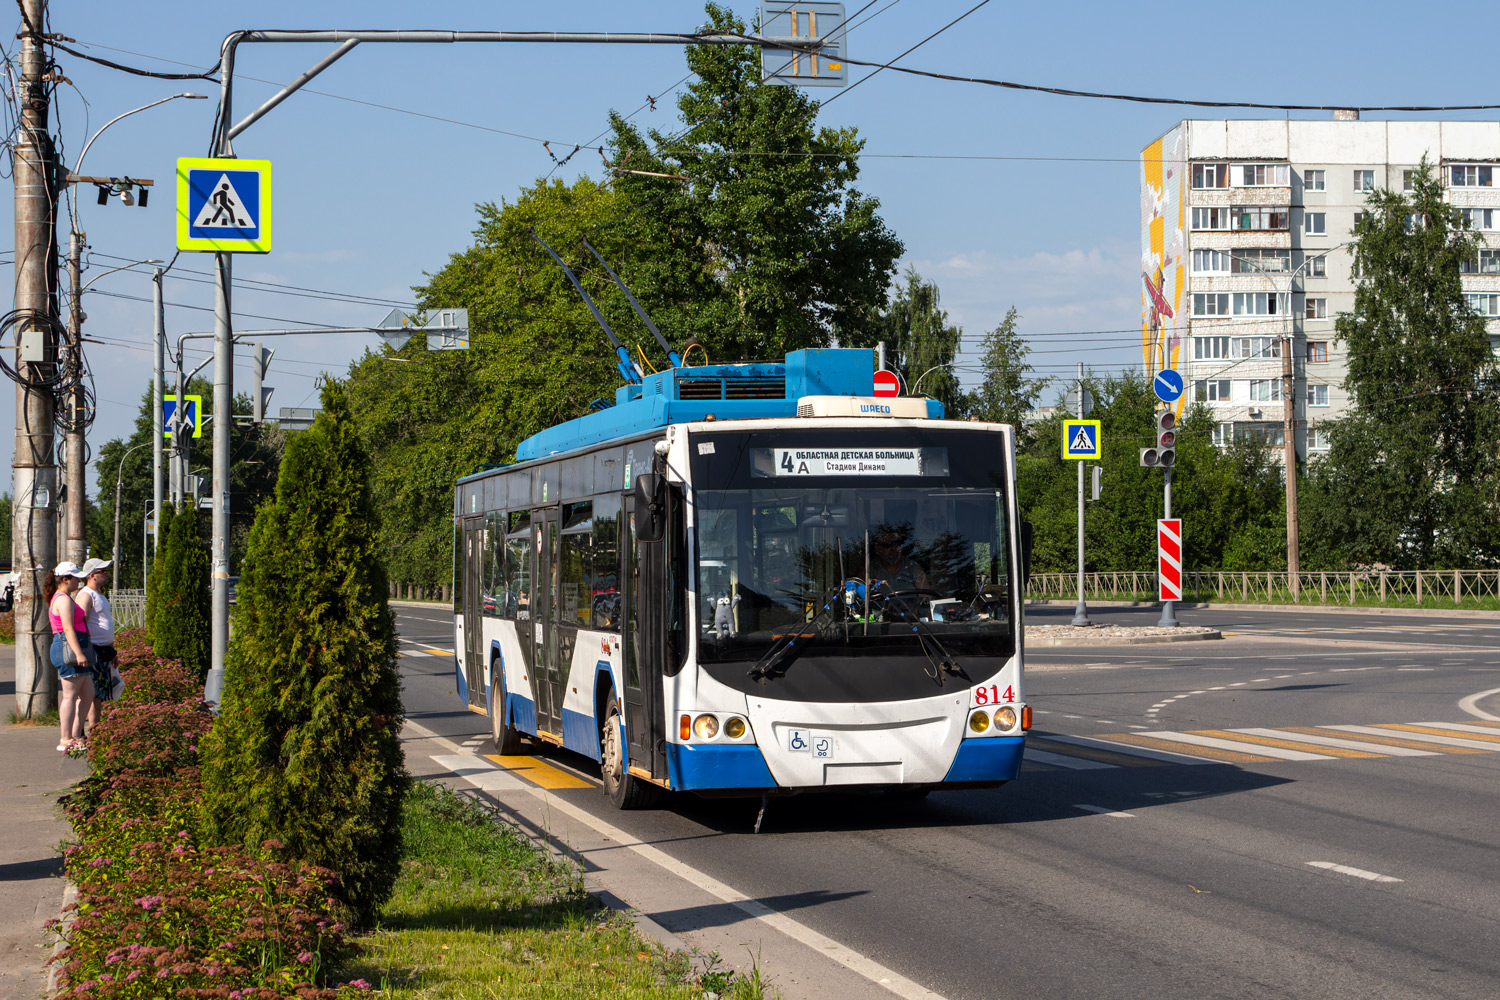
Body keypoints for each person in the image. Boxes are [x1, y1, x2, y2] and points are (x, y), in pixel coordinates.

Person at [47, 561, 95, 752]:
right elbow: (67, 628)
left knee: (88, 693)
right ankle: (65, 738)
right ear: (66, 579)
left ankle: (76, 734)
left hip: (76, 645)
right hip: (68, 648)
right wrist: (78, 652)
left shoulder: (66, 597)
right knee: (70, 695)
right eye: (76, 578)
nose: (79, 581)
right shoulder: (63, 600)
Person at [76, 558, 118, 729]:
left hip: (103, 651)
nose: (107, 575)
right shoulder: (86, 595)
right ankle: (88, 730)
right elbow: (81, 624)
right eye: (103, 572)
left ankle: (95, 728)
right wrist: (84, 650)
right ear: (92, 575)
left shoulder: (99, 594)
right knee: (91, 693)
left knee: (98, 694)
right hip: (93, 651)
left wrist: (112, 651)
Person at [871, 529, 929, 593]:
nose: (893, 548)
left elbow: (925, 597)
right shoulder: (869, 570)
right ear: (877, 548)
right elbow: (863, 599)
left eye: (897, 544)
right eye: (888, 544)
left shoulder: (914, 568)